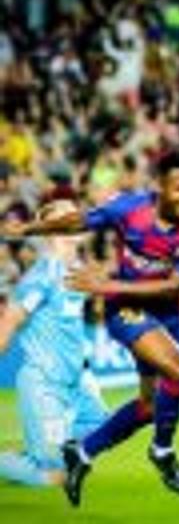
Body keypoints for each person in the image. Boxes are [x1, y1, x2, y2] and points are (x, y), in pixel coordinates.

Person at [0, 149, 179, 506]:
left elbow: (173, 286)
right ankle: (163, 453)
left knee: (151, 407)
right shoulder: (129, 208)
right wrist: (28, 228)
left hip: (163, 308)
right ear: (161, 186)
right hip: (127, 307)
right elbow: (79, 220)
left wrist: (105, 284)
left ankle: (82, 453)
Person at [0, 198, 107, 487]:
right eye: (67, 215)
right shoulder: (41, 277)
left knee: (103, 431)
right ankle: (31, 461)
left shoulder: (78, 269)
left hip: (76, 381)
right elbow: (10, 320)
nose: (77, 218)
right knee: (58, 474)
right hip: (44, 382)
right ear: (50, 229)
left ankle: (33, 456)